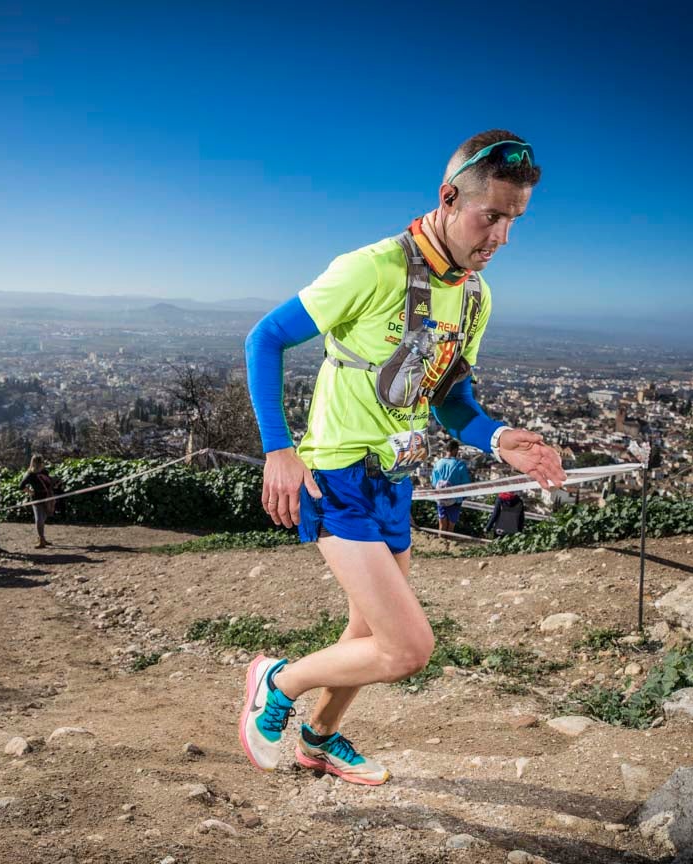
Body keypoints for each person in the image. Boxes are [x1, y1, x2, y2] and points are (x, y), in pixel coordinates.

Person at [241, 130, 566, 785]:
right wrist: (278, 447)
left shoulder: (475, 295)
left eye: (515, 220)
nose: (501, 235)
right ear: (448, 198)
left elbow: (450, 400)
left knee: (365, 634)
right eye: (491, 215)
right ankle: (278, 679)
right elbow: (266, 337)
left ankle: (316, 741)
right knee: (408, 648)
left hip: (395, 479)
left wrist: (501, 439)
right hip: (335, 474)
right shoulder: (373, 267)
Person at [430, 440, 472, 534]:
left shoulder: (438, 463)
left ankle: (440, 544)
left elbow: (433, 482)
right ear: (455, 450)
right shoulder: (460, 465)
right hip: (455, 499)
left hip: (441, 498)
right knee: (451, 527)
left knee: (442, 524)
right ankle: (448, 546)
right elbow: (466, 483)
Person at [18, 455, 58, 548]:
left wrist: (54, 484)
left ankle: (42, 538)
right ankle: (41, 539)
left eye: (41, 462)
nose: (41, 464)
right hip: (36, 498)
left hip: (47, 497)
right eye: (39, 462)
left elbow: (49, 482)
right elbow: (21, 486)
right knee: (39, 519)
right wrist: (30, 491)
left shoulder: (44, 471)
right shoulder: (30, 474)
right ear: (35, 463)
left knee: (44, 518)